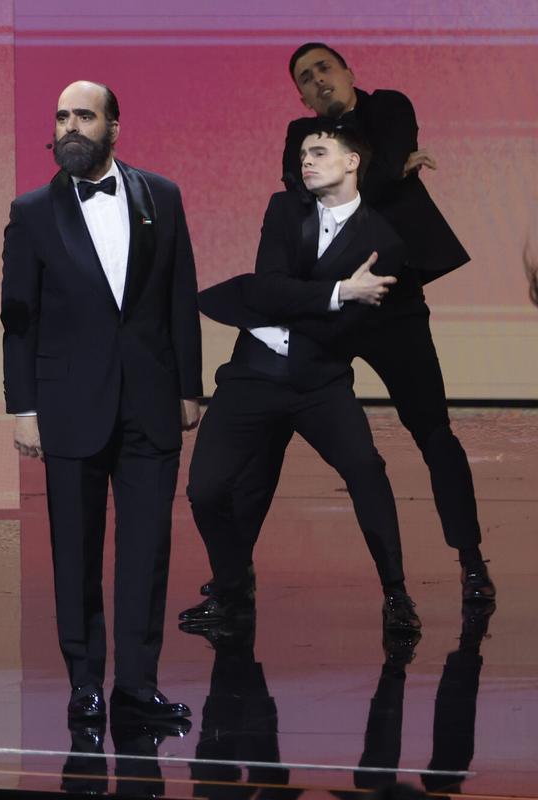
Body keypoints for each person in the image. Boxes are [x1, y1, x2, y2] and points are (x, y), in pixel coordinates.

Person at [207, 43, 492, 604]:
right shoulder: (299, 135)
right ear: (300, 96)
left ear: (349, 73)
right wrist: (388, 169)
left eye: (324, 70)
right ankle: (233, 575)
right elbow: (322, 187)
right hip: (324, 302)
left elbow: (367, 174)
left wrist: (378, 170)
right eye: (305, 79)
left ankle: (472, 560)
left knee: (433, 431)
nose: (317, 82)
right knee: (271, 433)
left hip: (393, 301)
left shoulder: (389, 106)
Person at [0, 80, 202, 726]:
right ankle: (84, 684)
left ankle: (137, 688)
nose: (70, 127)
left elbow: (179, 297)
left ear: (114, 127)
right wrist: (22, 408)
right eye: (61, 116)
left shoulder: (161, 197)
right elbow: (19, 323)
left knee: (146, 553)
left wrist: (189, 387)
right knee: (76, 553)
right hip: (67, 405)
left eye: (84, 116)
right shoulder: (31, 211)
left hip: (149, 400)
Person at [181, 121, 421, 633]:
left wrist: (299, 301)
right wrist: (338, 293)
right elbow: (267, 287)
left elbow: (347, 329)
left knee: (366, 470)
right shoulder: (283, 208)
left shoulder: (385, 241)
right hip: (253, 372)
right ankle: (232, 584)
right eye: (303, 154)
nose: (305, 161)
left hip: (321, 381)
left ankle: (396, 592)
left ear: (353, 160)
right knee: (206, 489)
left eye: (319, 151)